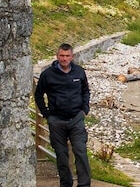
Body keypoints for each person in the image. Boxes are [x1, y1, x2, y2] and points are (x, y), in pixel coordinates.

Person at [35, 44, 92, 187]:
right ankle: (65, 184)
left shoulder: (79, 72)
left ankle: (84, 185)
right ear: (57, 56)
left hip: (76, 119)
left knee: (81, 152)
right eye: (62, 56)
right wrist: (47, 114)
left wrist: (84, 109)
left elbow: (86, 91)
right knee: (61, 156)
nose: (64, 59)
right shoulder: (47, 75)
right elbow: (38, 95)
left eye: (67, 56)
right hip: (57, 121)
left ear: (72, 57)